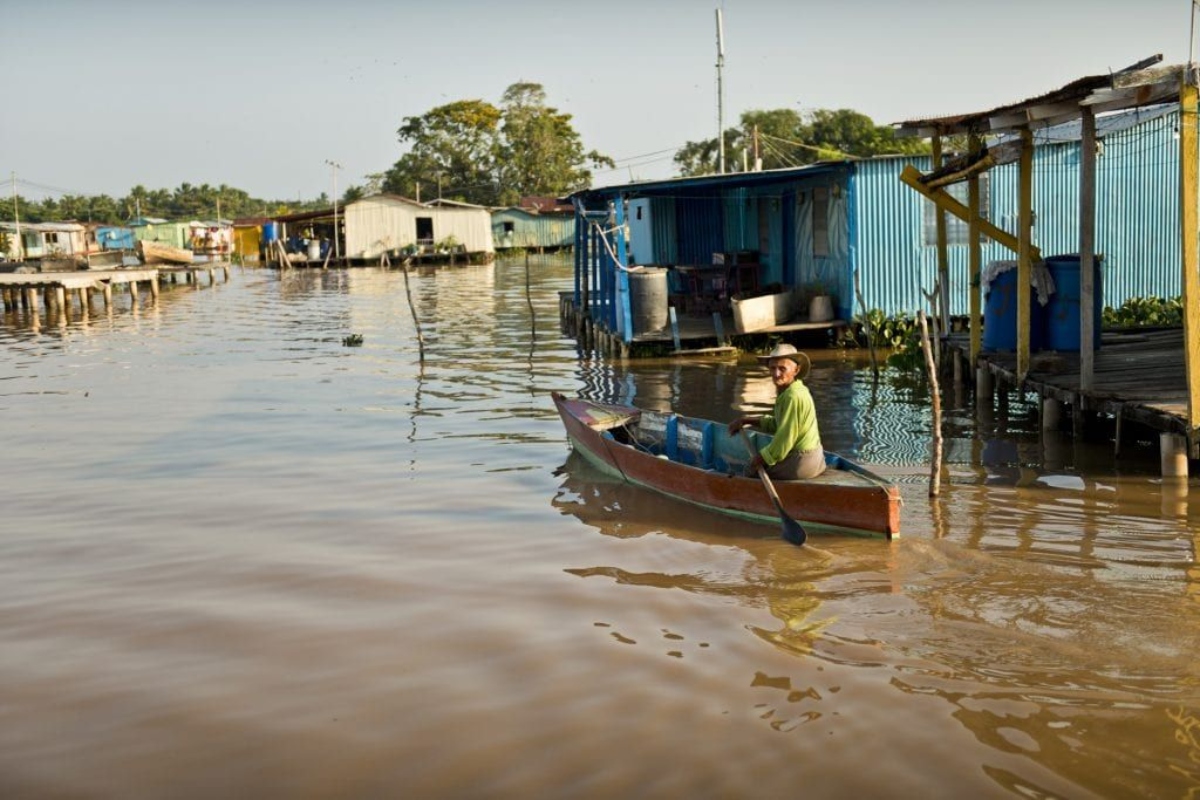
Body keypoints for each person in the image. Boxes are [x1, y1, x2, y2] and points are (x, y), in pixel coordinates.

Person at [727, 343, 826, 480]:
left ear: (796, 370)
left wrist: (760, 459)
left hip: (802, 463)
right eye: (772, 368)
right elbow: (779, 424)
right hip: (816, 460)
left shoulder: (793, 396)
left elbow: (784, 440)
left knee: (750, 470)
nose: (776, 374)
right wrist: (746, 420)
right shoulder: (793, 390)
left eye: (782, 368)